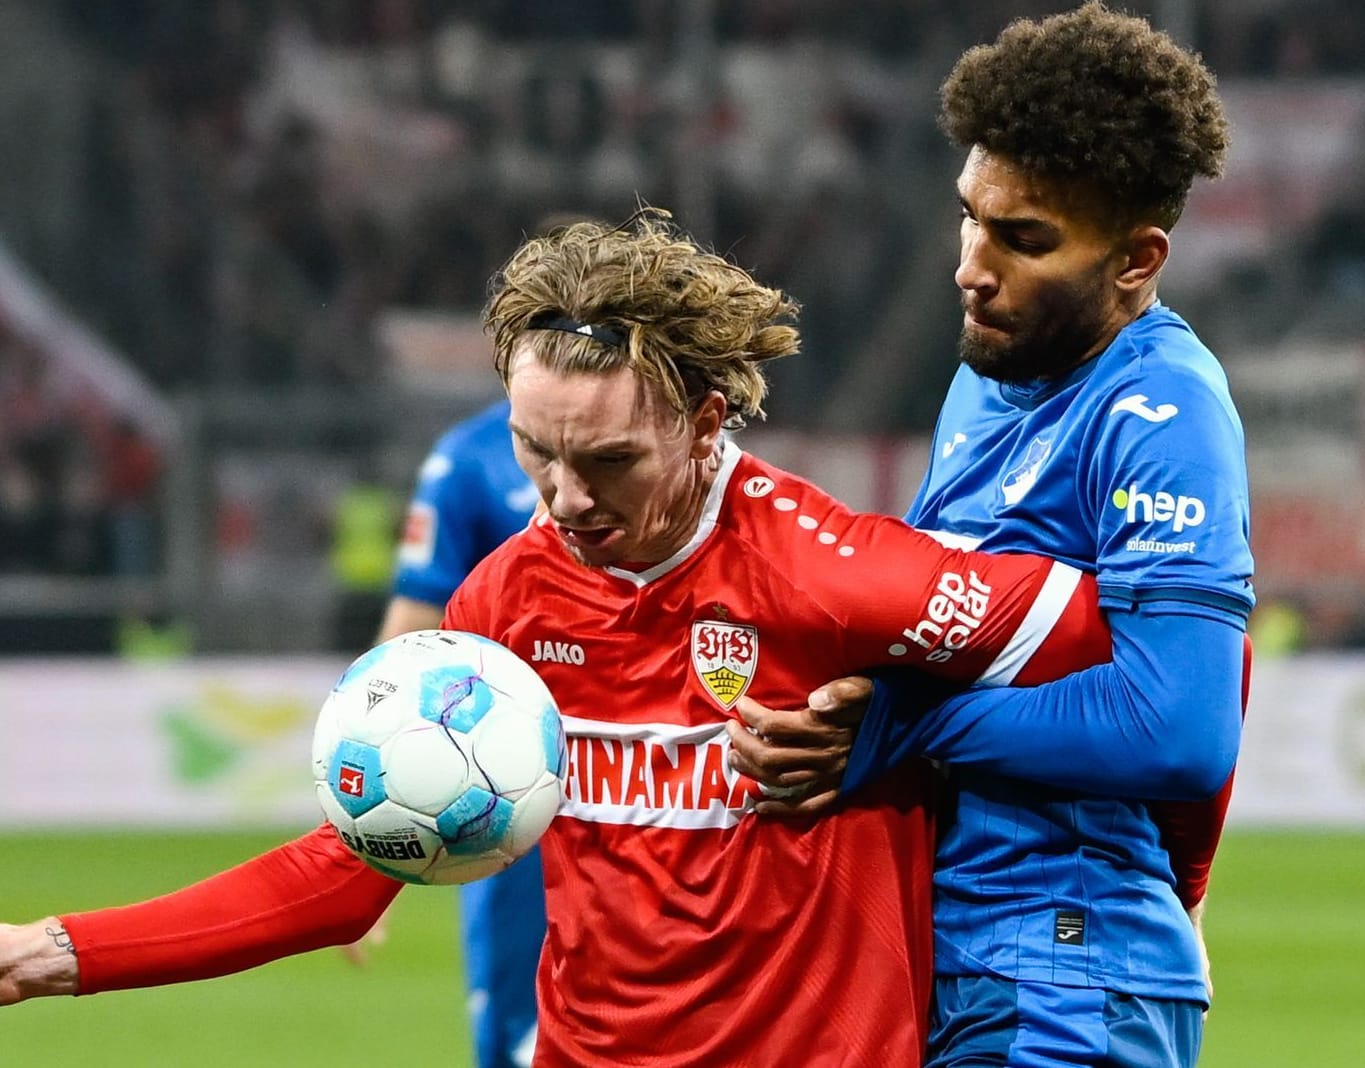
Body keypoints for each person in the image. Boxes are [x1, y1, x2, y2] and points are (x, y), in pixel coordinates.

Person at [0, 210, 1212, 1067]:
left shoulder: (837, 574)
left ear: (704, 421)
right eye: (536, 451)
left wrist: (1175, 887)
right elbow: (344, 871)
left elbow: (1181, 671)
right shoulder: (507, 601)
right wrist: (46, 954)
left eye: (608, 460)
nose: (565, 498)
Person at [728, 7, 1253, 1067]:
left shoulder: (1160, 412)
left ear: (1137, 262)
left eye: (1026, 242)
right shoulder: (986, 378)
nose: (973, 265)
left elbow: (1181, 724)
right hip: (961, 952)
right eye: (971, 217)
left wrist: (903, 729)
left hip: (1063, 970)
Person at [370, 396, 546, 1068]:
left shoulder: (677, 440)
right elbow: (412, 633)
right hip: (518, 796)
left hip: (657, 786)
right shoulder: (469, 460)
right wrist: (357, 853)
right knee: (519, 1039)